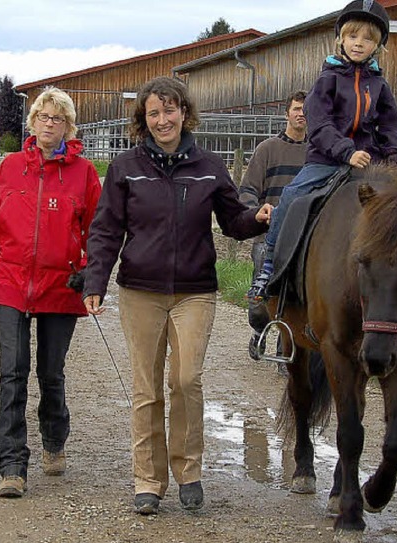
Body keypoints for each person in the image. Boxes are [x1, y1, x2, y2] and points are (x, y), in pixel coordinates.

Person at [82, 77, 272, 515]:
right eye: (154, 113)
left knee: (186, 380)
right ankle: (148, 480)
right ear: (143, 120)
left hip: (195, 292)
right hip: (140, 292)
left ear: (184, 113)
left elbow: (232, 222)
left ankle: (189, 471)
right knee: (146, 387)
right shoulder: (125, 167)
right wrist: (95, 281)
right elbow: (106, 230)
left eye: (170, 110)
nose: (163, 120)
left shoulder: (208, 165)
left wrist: (257, 218)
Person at [0, 87, 101, 499]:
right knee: (12, 372)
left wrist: (89, 270)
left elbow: (98, 232)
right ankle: (12, 465)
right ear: (33, 122)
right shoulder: (9, 168)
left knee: (51, 373)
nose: (48, 123)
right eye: (42, 116)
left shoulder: (84, 173)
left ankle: (54, 437)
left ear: (68, 126)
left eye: (57, 118)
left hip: (61, 285)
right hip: (11, 284)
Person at [248, 0, 397, 303]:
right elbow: (319, 124)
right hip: (327, 160)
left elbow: (391, 127)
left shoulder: (381, 86)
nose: (359, 43)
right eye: (353, 36)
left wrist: (396, 162)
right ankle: (269, 267)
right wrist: (346, 151)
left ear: (378, 46)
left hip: (370, 163)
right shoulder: (327, 80)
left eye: (368, 39)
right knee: (292, 197)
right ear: (341, 40)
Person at [239, 91, 307, 359]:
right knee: (261, 294)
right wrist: (257, 212)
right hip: (269, 236)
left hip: (302, 236)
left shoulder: (317, 154)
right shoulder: (267, 150)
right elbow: (247, 190)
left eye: (306, 110)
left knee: (297, 296)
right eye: (297, 109)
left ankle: (286, 347)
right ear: (287, 113)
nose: (302, 114)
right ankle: (258, 329)